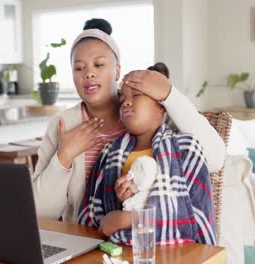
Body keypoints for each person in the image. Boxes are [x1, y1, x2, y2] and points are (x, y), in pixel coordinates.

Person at [32, 18, 225, 224]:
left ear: (117, 71)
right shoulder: (62, 125)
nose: (88, 73)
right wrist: (64, 156)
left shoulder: (149, 115)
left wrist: (170, 95)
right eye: (79, 68)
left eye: (99, 64)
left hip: (147, 239)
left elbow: (215, 159)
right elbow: (40, 213)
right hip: (84, 243)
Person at [77, 62, 216, 246]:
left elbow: (193, 220)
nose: (126, 101)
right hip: (117, 252)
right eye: (122, 99)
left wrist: (129, 220)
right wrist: (125, 201)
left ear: (162, 106)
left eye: (136, 95)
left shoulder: (186, 148)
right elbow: (92, 215)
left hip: (174, 254)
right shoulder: (109, 153)